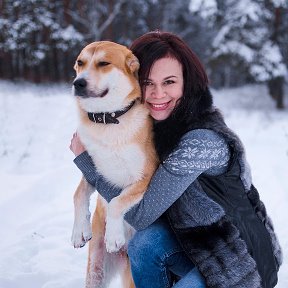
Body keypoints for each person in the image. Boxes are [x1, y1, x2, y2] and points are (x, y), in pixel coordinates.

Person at [70, 31, 282, 288]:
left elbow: (140, 215)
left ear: (187, 83)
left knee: (144, 230)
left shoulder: (201, 141)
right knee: (145, 242)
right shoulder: (155, 124)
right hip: (194, 246)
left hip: (240, 263)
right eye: (148, 83)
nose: (158, 93)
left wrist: (86, 162)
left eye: (169, 82)